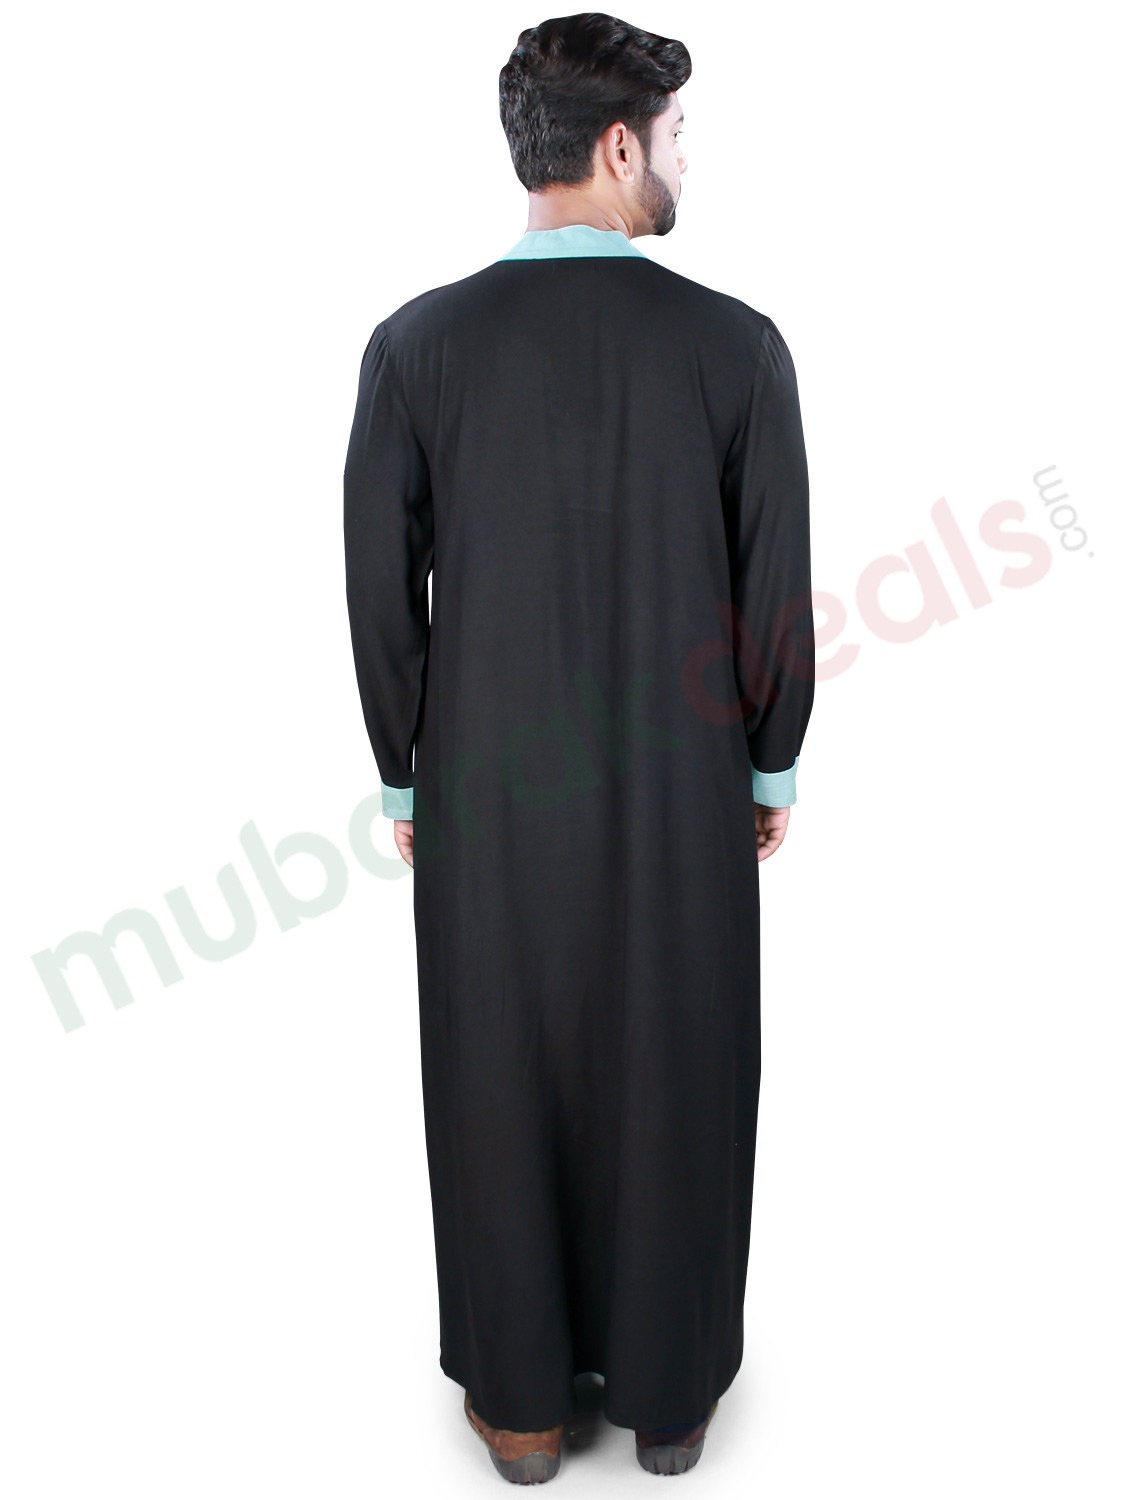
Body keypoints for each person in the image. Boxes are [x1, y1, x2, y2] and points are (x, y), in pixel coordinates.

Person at [342, 11, 815, 1485]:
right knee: (680, 1052)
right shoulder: (735, 346)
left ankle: (526, 1408)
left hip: (485, 790)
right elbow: (773, 585)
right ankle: (669, 1403)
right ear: (619, 147)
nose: (684, 160)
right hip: (682, 791)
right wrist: (770, 765)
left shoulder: (416, 347)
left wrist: (407, 770)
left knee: (499, 1062)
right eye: (675, 136)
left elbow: (378, 587)